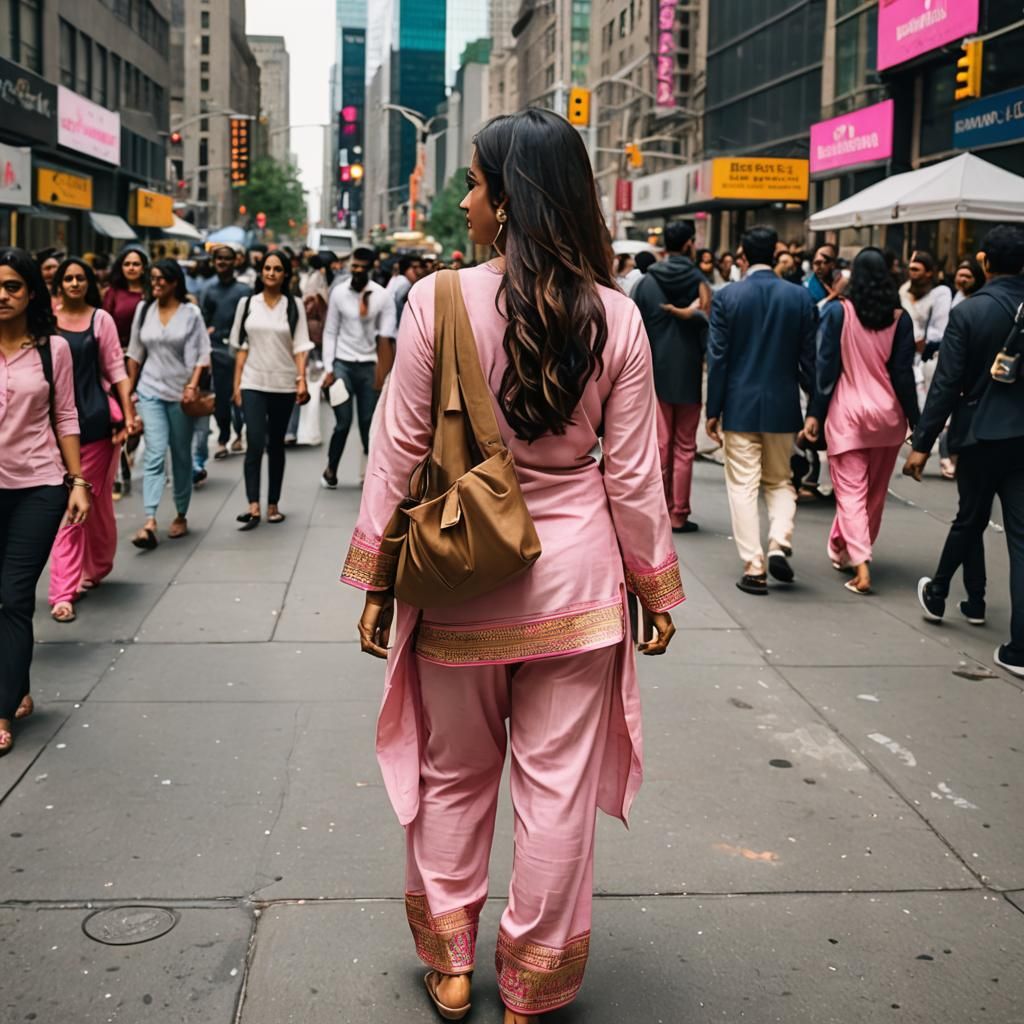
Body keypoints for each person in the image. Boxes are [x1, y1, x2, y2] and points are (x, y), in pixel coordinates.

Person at [340, 108, 681, 1024]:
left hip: (460, 578)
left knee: (454, 776)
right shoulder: (617, 315)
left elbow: (398, 453)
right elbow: (636, 474)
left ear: (512, 198)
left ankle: (450, 963)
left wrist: (378, 578)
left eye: (476, 183)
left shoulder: (437, 300)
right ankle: (534, 983)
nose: (465, 201)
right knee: (557, 786)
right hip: (578, 585)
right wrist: (653, 585)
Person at [905, 224, 1024, 678]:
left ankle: (940, 593)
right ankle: (1014, 643)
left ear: (984, 263)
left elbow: (946, 385)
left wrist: (922, 445)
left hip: (978, 434)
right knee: (1019, 538)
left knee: (970, 517)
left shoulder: (971, 313)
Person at [0, 247, 90, 756]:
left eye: (13, 286)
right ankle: (15, 683)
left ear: (32, 292)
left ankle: (2, 709)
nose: (2, 296)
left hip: (39, 484)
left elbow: (67, 417)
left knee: (13, 597)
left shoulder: (51, 349)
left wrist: (78, 482)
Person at [706, 225, 818, 594]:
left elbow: (718, 359)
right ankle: (779, 542)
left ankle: (753, 566)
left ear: (742, 254)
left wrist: (714, 409)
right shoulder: (800, 298)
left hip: (739, 404)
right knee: (780, 480)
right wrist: (815, 407)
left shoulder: (727, 297)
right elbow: (809, 361)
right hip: (783, 406)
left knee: (742, 485)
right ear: (775, 253)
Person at [803, 248, 918, 595]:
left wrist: (814, 414)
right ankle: (844, 547)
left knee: (850, 493)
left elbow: (826, 369)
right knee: (875, 495)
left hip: (847, 414)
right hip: (888, 417)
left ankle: (862, 565)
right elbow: (903, 375)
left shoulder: (840, 312)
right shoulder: (901, 318)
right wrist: (918, 421)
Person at [47, 257, 141, 621]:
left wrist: (129, 414)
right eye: (67, 278)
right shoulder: (45, 322)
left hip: (95, 425)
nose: (74, 283)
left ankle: (80, 578)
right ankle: (75, 581)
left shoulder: (100, 320)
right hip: (52, 428)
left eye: (79, 278)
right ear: (58, 285)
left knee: (88, 504)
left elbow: (116, 370)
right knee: (78, 505)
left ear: (89, 283)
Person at [633, 220, 711, 533]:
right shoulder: (701, 282)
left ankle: (659, 509)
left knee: (661, 444)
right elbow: (711, 326)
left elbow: (633, 329)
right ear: (690, 243)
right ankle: (679, 512)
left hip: (655, 372)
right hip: (690, 371)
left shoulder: (646, 282)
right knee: (684, 445)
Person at [126, 259, 210, 549]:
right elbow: (135, 354)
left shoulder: (191, 313)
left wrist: (192, 386)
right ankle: (149, 519)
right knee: (154, 453)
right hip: (150, 390)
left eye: (162, 278)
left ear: (175, 282)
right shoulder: (144, 309)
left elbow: (202, 354)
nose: (156, 283)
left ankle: (181, 513)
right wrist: (128, 391)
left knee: (181, 455)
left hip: (180, 394)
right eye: (154, 278)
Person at [230, 251, 312, 530]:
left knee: (275, 444)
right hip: (253, 382)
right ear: (261, 271)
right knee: (254, 442)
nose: (271, 273)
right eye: (267, 268)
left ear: (285, 274)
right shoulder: (247, 304)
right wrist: (236, 384)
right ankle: (253, 505)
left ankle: (273, 504)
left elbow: (301, 346)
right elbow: (241, 346)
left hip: (283, 383)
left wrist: (301, 380)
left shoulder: (293, 306)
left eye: (277, 269)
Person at [320, 246, 396, 489]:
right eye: (354, 266)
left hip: (369, 367)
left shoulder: (383, 297)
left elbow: (387, 336)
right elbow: (330, 331)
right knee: (343, 421)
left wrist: (384, 376)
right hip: (342, 364)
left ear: (371, 269)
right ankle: (331, 469)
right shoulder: (339, 293)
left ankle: (373, 472)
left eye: (361, 268)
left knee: (367, 423)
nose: (356, 271)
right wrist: (329, 367)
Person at [198, 245, 251, 470]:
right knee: (220, 397)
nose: (222, 263)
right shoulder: (208, 290)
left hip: (241, 351)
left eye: (227, 259)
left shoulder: (245, 291)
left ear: (235, 261)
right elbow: (203, 319)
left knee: (239, 396)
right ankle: (222, 438)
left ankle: (239, 433)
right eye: (218, 259)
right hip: (217, 350)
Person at [899, 250, 951, 409]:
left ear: (928, 273)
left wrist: (925, 342)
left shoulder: (940, 293)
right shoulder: (903, 290)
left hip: (927, 356)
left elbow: (940, 327)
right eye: (910, 269)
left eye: (916, 269)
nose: (911, 273)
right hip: (903, 352)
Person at [102, 247, 149, 349]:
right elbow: (105, 324)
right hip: (117, 348)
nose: (131, 268)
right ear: (121, 268)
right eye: (127, 264)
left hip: (147, 349)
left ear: (143, 269)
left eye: (136, 264)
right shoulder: (112, 292)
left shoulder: (151, 293)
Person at [387, 253, 425, 328]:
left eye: (420, 267)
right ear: (405, 269)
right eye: (414, 267)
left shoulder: (403, 282)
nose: (418, 271)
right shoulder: (404, 282)